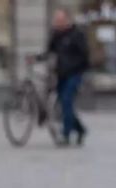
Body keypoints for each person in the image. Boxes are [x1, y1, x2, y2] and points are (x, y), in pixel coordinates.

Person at [37, 8, 90, 146]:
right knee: (64, 104)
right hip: (61, 75)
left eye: (60, 20)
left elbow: (85, 56)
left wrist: (77, 69)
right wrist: (36, 58)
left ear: (67, 20)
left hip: (74, 74)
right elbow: (49, 51)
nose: (57, 23)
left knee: (66, 100)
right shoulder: (56, 35)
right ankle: (80, 129)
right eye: (56, 20)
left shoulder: (77, 35)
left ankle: (65, 134)